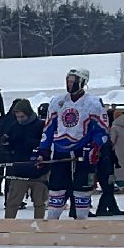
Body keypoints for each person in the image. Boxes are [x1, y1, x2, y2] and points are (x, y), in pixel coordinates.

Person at [36, 68, 109, 219]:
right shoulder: (57, 101)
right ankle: (52, 222)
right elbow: (48, 129)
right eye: (68, 81)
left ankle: (81, 221)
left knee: (82, 190)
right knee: (56, 189)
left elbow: (102, 131)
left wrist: (95, 146)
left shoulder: (93, 103)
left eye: (73, 81)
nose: (69, 84)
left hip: (82, 153)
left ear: (82, 82)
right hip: (60, 152)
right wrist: (43, 151)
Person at [0, 99, 48, 218]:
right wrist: (6, 143)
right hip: (19, 171)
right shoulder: (14, 126)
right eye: (17, 117)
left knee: (39, 203)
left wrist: (29, 143)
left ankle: (38, 228)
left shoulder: (40, 125)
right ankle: (7, 228)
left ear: (28, 114)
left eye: (22, 116)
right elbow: (8, 144)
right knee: (12, 202)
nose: (19, 119)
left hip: (38, 171)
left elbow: (46, 144)